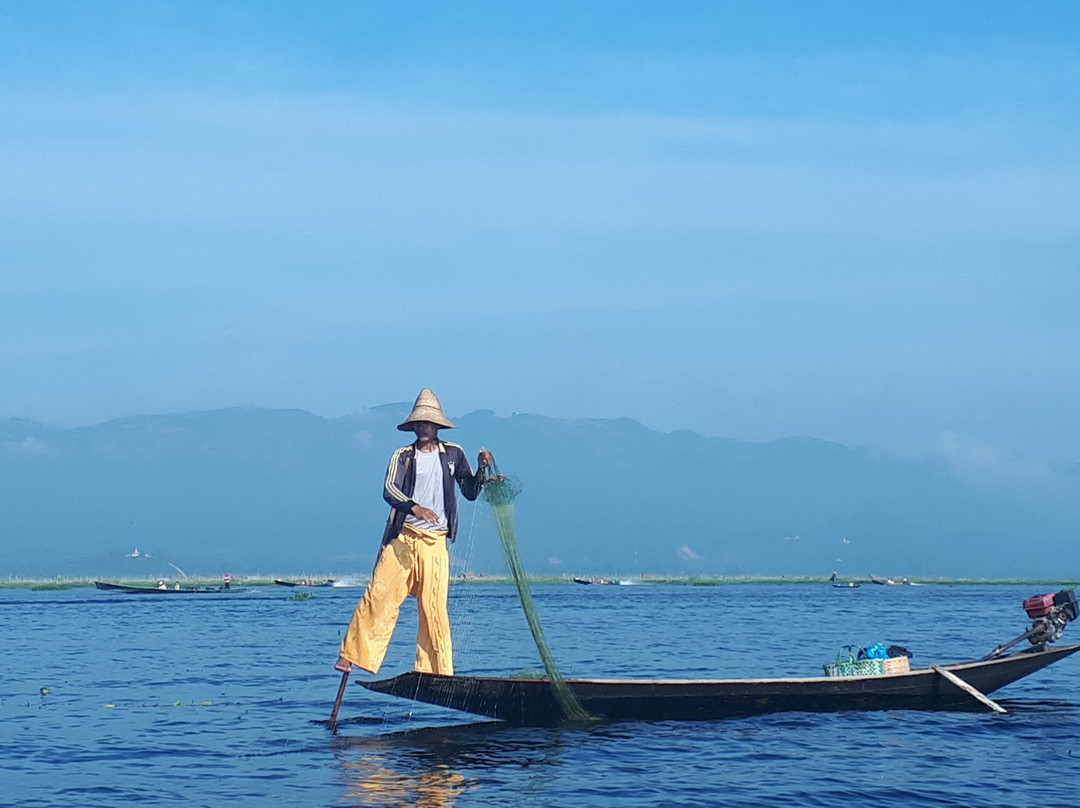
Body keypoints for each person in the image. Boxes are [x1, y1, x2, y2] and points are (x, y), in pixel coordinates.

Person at [335, 388, 493, 677]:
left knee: (433, 608)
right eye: (419, 423)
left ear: (437, 427)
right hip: (405, 538)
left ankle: (437, 671)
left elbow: (469, 491)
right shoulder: (403, 456)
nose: (424, 428)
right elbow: (390, 490)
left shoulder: (453, 454)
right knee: (380, 594)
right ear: (414, 426)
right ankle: (352, 655)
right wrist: (414, 508)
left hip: (435, 543)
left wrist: (482, 470)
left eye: (429, 424)